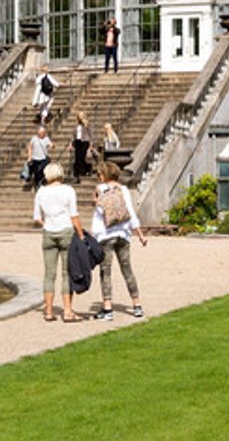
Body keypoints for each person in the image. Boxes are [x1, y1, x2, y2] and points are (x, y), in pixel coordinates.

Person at [88, 160, 148, 320]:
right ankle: (137, 304)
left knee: (105, 271)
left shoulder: (100, 189)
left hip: (106, 235)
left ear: (104, 175)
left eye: (99, 174)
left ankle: (107, 308)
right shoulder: (124, 189)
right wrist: (140, 234)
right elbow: (131, 213)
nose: (98, 176)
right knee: (127, 270)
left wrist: (92, 235)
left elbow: (99, 214)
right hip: (123, 234)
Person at [32, 162, 85, 322]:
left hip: (49, 232)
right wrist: (81, 234)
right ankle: (67, 311)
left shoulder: (41, 192)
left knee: (49, 274)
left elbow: (37, 218)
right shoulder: (68, 190)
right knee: (66, 273)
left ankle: (48, 310)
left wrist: (48, 223)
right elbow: (73, 215)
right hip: (66, 231)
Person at [26, 125, 52, 191]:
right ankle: (37, 183)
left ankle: (40, 183)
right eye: (41, 133)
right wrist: (29, 157)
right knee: (36, 171)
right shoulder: (34, 138)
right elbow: (30, 147)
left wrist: (52, 145)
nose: (43, 134)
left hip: (43, 158)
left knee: (40, 170)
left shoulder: (46, 138)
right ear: (38, 133)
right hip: (35, 158)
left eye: (44, 132)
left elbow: (51, 144)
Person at [70, 110, 91, 182]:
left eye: (81, 116)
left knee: (82, 157)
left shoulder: (86, 124)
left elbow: (90, 134)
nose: (79, 117)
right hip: (77, 142)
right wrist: (71, 143)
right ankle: (77, 174)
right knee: (77, 158)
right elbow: (73, 135)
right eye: (79, 116)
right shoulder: (76, 125)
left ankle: (87, 169)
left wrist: (91, 144)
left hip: (84, 141)